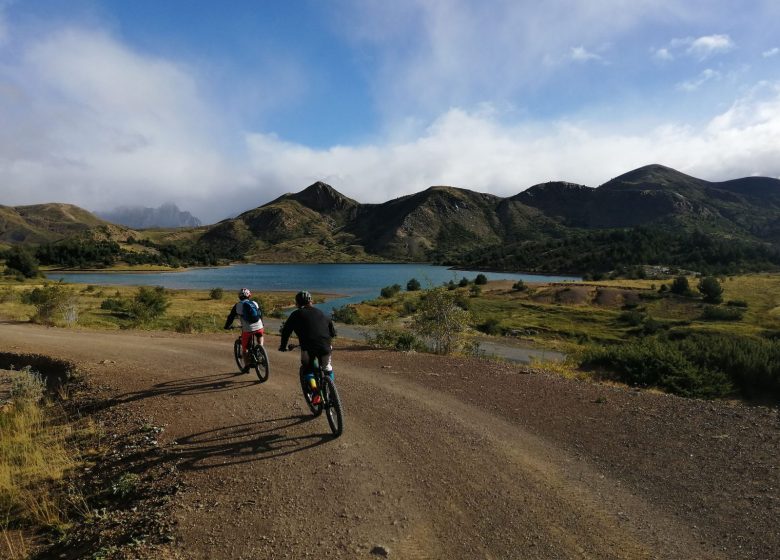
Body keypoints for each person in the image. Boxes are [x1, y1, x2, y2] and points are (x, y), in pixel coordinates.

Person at [278, 290, 336, 405]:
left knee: (308, 369)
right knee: (327, 367)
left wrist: (283, 346)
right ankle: (331, 390)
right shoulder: (321, 312)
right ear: (311, 301)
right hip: (326, 346)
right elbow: (332, 332)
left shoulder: (295, 314)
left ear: (297, 303)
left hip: (308, 348)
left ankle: (315, 392)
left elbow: (286, 332)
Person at [224, 288, 264, 371]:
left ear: (239, 297)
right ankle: (260, 349)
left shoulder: (238, 305)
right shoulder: (254, 303)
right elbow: (260, 314)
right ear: (249, 295)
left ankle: (246, 367)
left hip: (248, 329)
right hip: (259, 326)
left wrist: (227, 326)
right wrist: (261, 323)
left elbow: (231, 317)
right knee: (260, 335)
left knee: (244, 349)